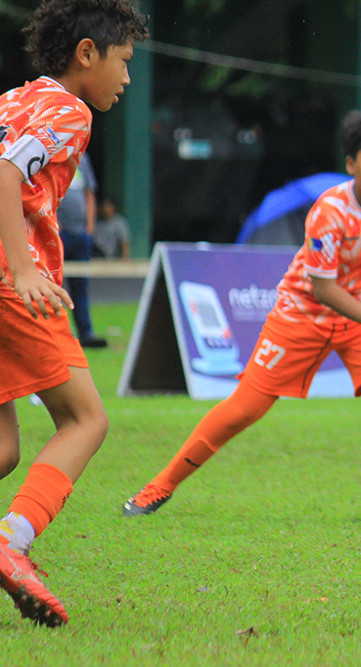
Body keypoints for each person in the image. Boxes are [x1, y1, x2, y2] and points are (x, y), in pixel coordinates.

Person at [123, 112, 361, 522]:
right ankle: (156, 489)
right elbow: (324, 289)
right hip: (302, 314)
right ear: (351, 164)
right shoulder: (330, 211)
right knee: (244, 410)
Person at [0, 0, 147, 626]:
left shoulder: (14, 98)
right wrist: (25, 267)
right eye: (123, 61)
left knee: (4, 447)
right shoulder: (68, 108)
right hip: (13, 280)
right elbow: (5, 172)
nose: (127, 78)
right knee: (86, 421)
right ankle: (11, 542)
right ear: (87, 53)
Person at [57, 152, 107, 348]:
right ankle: (59, 335)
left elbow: (89, 193)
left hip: (81, 235)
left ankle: (86, 334)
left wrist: (89, 228)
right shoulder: (51, 153)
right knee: (54, 284)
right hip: (58, 234)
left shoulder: (83, 159)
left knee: (81, 287)